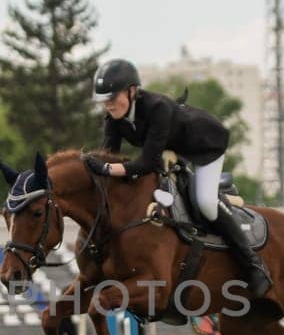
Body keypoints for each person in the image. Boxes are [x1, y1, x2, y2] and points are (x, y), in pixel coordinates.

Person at [84, 58, 272, 297]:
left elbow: (144, 162)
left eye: (112, 98)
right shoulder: (114, 119)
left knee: (204, 201)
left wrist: (109, 170)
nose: (108, 105)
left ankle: (253, 264)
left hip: (205, 146)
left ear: (132, 91)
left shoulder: (157, 108)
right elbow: (108, 156)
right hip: (174, 149)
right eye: (104, 101)